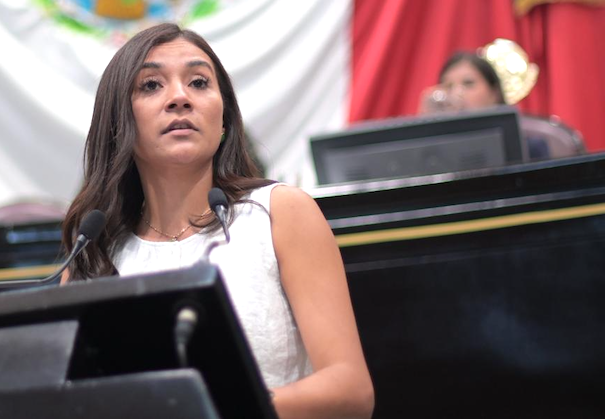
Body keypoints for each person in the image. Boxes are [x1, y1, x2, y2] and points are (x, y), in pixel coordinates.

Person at [61, 23, 374, 419]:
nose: (180, 97)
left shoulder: (279, 212)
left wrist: (219, 408)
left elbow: (350, 390)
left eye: (198, 82)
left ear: (223, 119)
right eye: (151, 85)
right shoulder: (94, 251)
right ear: (118, 123)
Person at [419, 51, 552, 159]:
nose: (456, 93)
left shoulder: (528, 148)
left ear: (494, 93)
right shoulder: (436, 155)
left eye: (468, 83)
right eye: (448, 86)